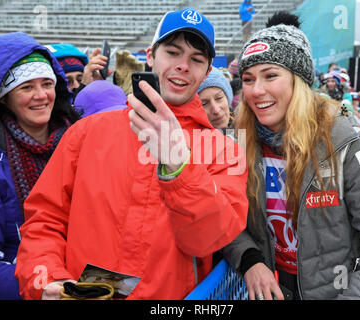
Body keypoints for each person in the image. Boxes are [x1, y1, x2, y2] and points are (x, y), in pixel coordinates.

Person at [14, 8, 248, 300]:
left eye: (196, 59)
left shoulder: (226, 150)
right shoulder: (86, 133)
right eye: (173, 52)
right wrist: (48, 279)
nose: (183, 66)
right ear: (151, 55)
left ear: (207, 71)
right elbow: (43, 221)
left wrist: (179, 167)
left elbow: (209, 238)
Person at [221, 12, 360, 300]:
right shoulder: (237, 143)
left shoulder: (351, 146)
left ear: (300, 82)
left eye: (271, 75)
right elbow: (224, 220)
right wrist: (250, 259)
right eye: (247, 79)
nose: (257, 91)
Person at [0, 32, 80, 300]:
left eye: (46, 83)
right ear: (3, 97)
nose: (41, 96)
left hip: (87, 284)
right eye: (26, 87)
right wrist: (42, 291)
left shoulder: (79, 141)